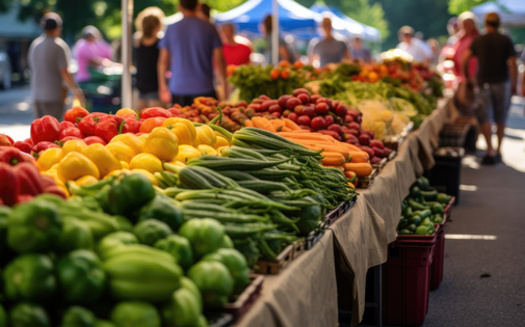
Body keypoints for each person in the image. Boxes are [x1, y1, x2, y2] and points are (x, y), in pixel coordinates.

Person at [462, 12, 518, 164]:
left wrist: (468, 78)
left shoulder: (479, 40)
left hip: (483, 83)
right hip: (502, 82)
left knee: (484, 117)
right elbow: (513, 64)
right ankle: (498, 149)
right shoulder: (505, 40)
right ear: (498, 24)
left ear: (486, 23)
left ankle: (490, 150)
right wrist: (514, 84)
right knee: (501, 117)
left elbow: (465, 60)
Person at [158, 0, 227, 106]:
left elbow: (163, 61)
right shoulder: (209, 27)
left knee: (181, 122)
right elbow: (220, 60)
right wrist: (224, 88)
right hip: (204, 87)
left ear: (179, 7)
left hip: (178, 87)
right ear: (198, 6)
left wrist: (162, 86)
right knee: (207, 122)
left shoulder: (172, 28)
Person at [28, 12, 84, 119]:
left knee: (40, 131)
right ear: (58, 28)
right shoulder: (59, 46)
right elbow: (64, 72)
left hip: (37, 94)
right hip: (54, 95)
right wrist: (75, 89)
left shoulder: (35, 45)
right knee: (54, 130)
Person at [134, 7, 165, 110]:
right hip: (155, 86)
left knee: (140, 117)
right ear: (157, 26)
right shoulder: (160, 43)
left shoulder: (137, 42)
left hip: (141, 85)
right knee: (156, 117)